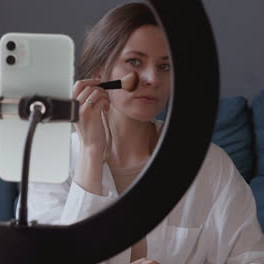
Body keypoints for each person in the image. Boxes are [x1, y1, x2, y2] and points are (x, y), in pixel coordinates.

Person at [21, 2, 264, 264]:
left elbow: (251, 257)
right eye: (134, 61)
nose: (152, 78)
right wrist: (91, 154)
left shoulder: (210, 165)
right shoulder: (49, 166)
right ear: (98, 73)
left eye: (165, 66)